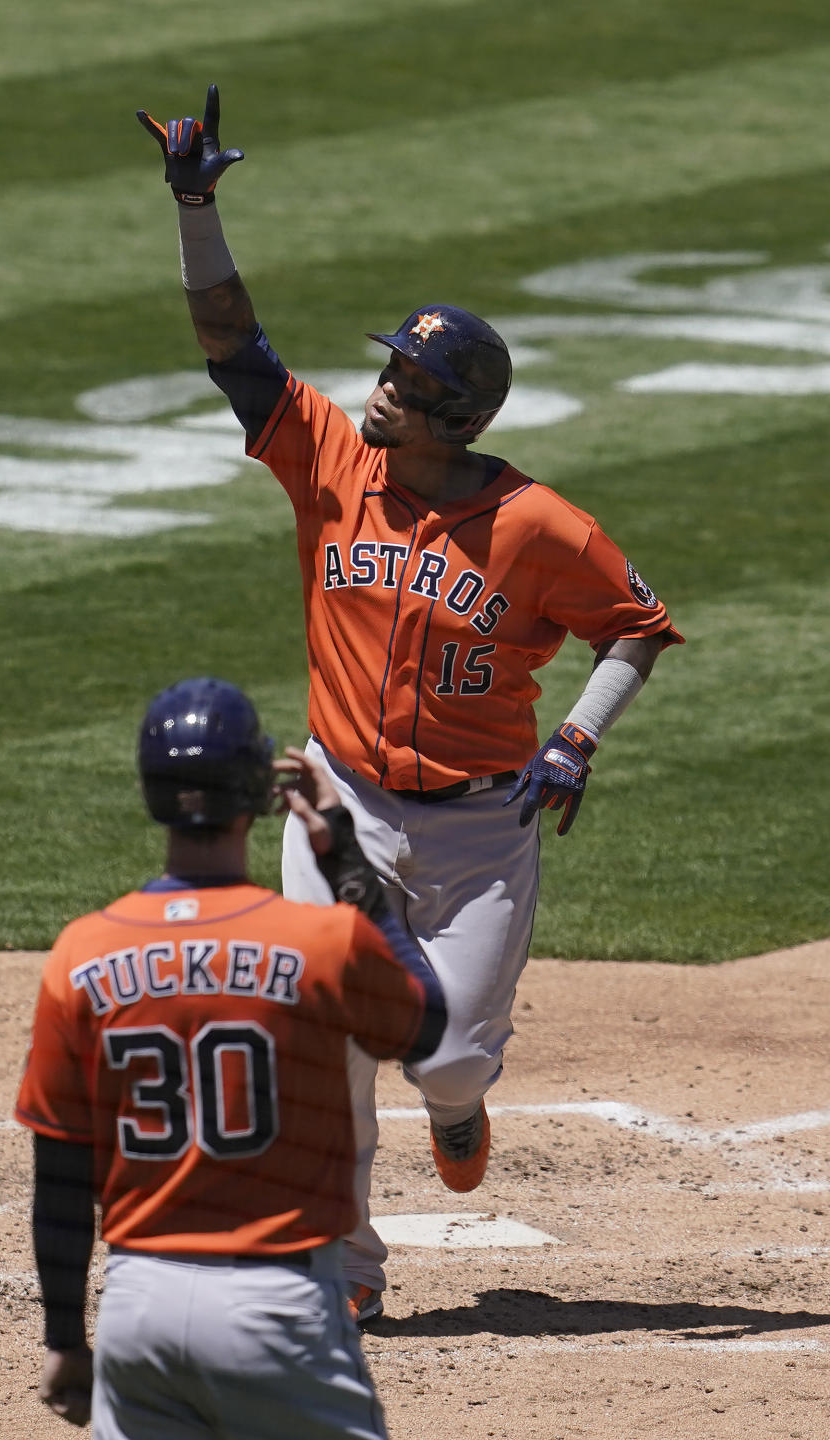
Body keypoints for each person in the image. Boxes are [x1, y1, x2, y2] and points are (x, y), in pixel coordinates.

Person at [136, 87, 685, 1325]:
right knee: (321, 1036)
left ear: (456, 413)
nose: (379, 388)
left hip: (481, 832)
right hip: (336, 802)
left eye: (405, 379)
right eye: (388, 369)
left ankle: (458, 1104)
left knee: (437, 1053)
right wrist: (195, 206)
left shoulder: (541, 527)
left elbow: (636, 630)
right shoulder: (330, 459)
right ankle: (353, 1267)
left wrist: (578, 738)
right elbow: (233, 341)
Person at [14, 675, 446, 1437]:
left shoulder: (81, 955)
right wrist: (344, 852)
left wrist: (63, 1340)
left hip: (137, 1308)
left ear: (151, 794)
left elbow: (60, 1174)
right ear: (260, 793)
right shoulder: (317, 943)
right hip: (277, 1306)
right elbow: (427, 1025)